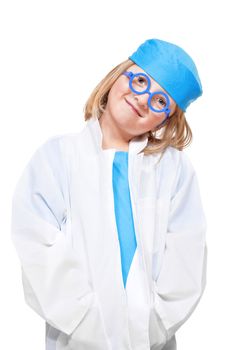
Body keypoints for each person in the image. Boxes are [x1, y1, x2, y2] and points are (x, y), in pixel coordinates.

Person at [11, 38, 207, 350]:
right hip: (74, 339)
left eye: (160, 101)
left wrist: (152, 326)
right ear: (118, 75)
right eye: (140, 81)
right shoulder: (57, 158)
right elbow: (38, 244)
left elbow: (187, 253)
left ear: (167, 119)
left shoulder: (173, 170)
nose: (143, 100)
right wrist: (84, 320)